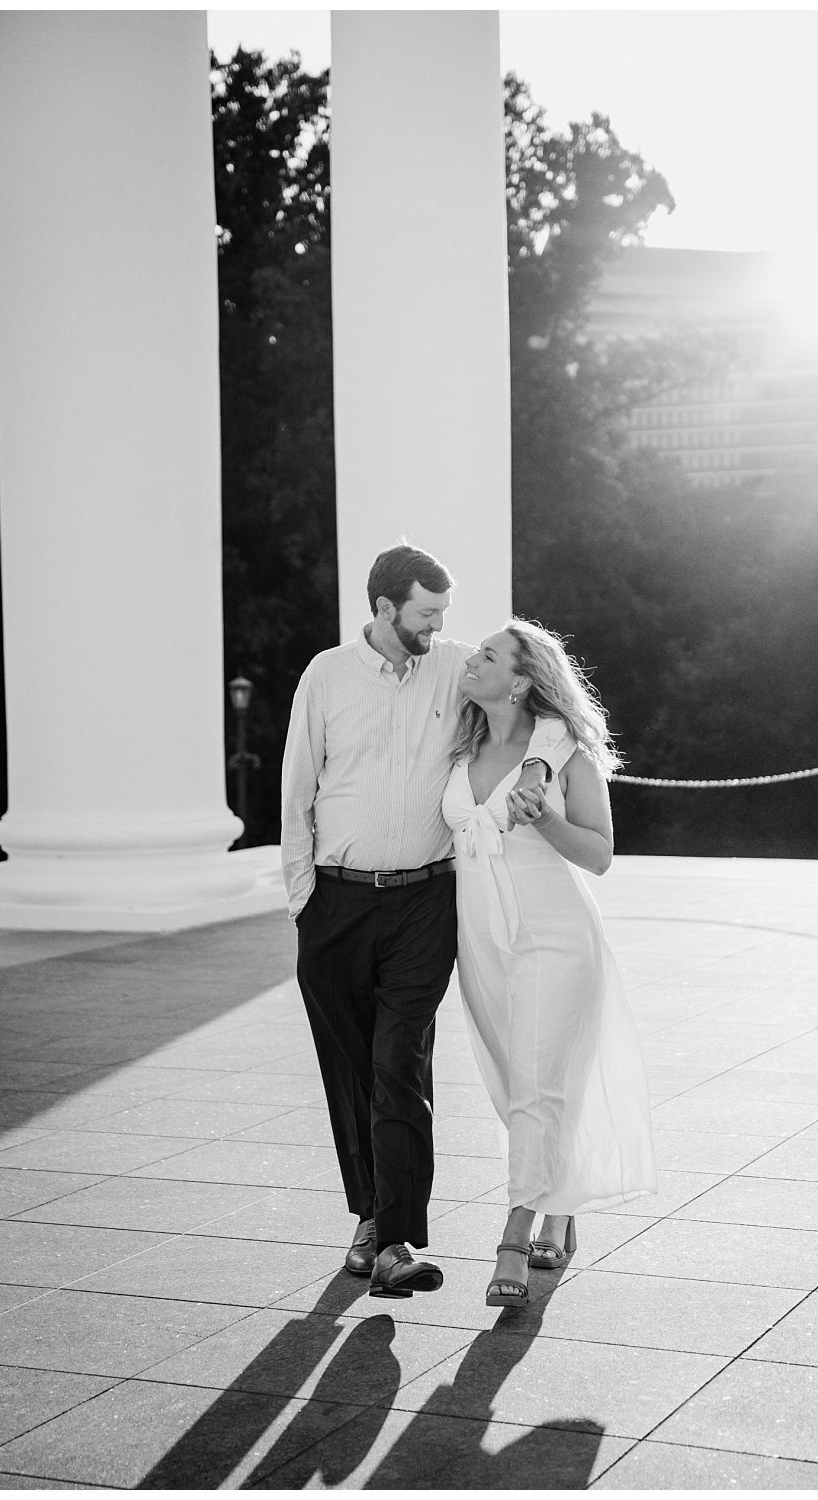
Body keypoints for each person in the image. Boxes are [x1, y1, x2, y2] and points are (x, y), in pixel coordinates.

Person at [280, 544, 568, 1299]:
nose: (441, 627)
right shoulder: (326, 675)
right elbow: (296, 791)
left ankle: (397, 1239)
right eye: (426, 614)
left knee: (398, 1063)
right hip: (336, 904)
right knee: (351, 1071)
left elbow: (548, 704)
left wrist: (537, 764)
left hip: (422, 904)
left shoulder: (458, 667)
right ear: (383, 609)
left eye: (444, 614)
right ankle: (371, 1218)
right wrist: (303, 900)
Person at [441, 617, 657, 1308]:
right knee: (518, 1081)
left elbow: (599, 854)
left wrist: (544, 819)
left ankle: (513, 1237)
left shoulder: (567, 759)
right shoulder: (458, 749)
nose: (473, 660)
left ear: (523, 680)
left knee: (535, 1085)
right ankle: (559, 1202)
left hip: (555, 937)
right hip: (481, 939)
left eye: (489, 655)